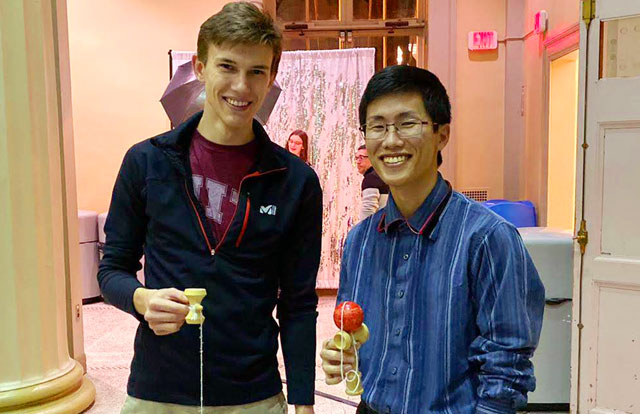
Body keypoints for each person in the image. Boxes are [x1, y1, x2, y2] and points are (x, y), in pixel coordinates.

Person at [98, 3, 320, 414]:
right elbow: (112, 269)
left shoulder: (296, 181)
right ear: (201, 66)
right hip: (157, 390)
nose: (241, 86)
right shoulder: (147, 162)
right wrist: (141, 300)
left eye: (257, 71)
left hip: (253, 394)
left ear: (272, 77)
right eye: (227, 66)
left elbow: (299, 302)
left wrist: (304, 402)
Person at [320, 65, 545, 414]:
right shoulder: (359, 243)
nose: (391, 140)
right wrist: (345, 357)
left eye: (408, 123)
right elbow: (359, 334)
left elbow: (507, 369)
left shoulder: (487, 238)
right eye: (377, 126)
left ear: (442, 135)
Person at [355, 144, 389, 220]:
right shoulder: (386, 175)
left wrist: (364, 230)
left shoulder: (371, 178)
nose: (358, 162)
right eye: (356, 158)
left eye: (361, 157)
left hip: (379, 229)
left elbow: (368, 210)